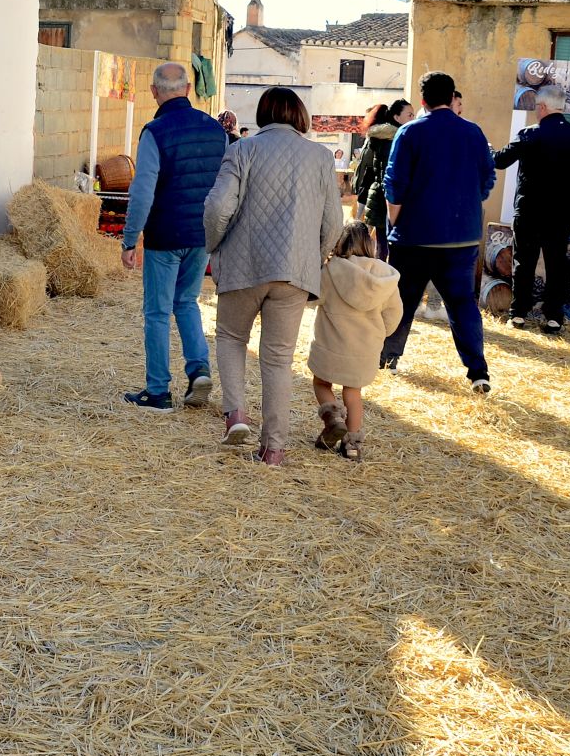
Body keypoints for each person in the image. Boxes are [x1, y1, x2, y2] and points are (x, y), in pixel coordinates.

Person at [201, 87, 340, 465]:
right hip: (295, 273)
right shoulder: (321, 157)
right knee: (278, 359)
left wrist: (216, 246)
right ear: (300, 116)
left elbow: (216, 208)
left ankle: (236, 415)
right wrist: (313, 257)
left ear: (264, 114)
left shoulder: (243, 149)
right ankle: (274, 449)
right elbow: (334, 223)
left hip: (244, 263)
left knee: (230, 337)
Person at [378, 72, 497, 392]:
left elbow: (395, 183)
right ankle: (478, 372)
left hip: (415, 234)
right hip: (462, 235)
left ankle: (387, 360)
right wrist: (469, 204)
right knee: (462, 304)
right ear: (452, 97)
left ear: (422, 100)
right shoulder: (474, 133)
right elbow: (488, 179)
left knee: (401, 300)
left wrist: (395, 221)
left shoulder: (410, 132)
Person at [120, 62, 229, 412]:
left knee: (156, 311)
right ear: (187, 89)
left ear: (154, 92)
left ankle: (157, 392)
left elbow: (142, 191)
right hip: (203, 234)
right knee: (187, 302)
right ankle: (198, 368)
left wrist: (129, 238)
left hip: (164, 234)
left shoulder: (155, 131)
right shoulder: (216, 131)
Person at [492, 85, 570, 332]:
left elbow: (500, 161)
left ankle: (518, 315)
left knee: (523, 262)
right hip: (561, 214)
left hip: (529, 210)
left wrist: (486, 149)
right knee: (556, 264)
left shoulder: (529, 134)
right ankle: (554, 317)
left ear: (541, 107)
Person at [308, 222, 403, 463]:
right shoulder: (384, 276)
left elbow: (312, 298)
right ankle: (351, 445)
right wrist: (380, 334)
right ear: (369, 244)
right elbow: (394, 314)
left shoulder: (330, 271)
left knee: (321, 382)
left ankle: (333, 419)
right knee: (353, 393)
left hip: (331, 345)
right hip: (365, 349)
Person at [356, 100, 410, 260]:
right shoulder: (398, 139)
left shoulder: (376, 138)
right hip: (391, 195)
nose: (413, 119)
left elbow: (365, 165)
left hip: (376, 192)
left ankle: (381, 279)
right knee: (392, 245)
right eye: (410, 115)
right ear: (396, 117)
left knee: (381, 244)